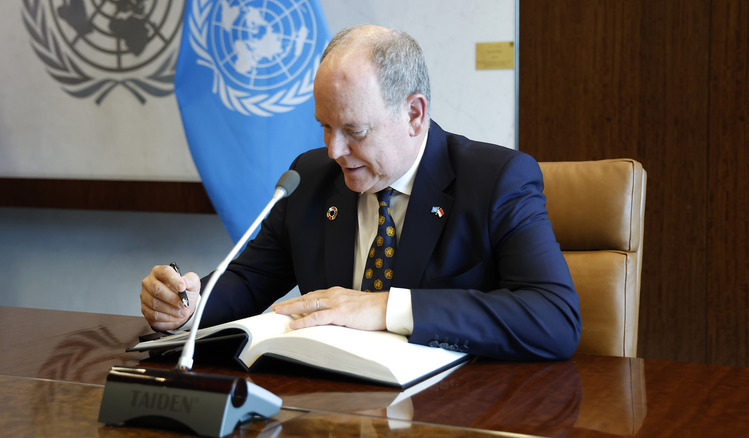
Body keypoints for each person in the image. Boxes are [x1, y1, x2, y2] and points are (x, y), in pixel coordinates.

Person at [140, 25, 581, 361]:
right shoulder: (310, 177)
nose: (334, 150)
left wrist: (385, 308)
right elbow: (248, 280)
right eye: (325, 127)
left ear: (413, 114)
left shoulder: (497, 179)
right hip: (329, 405)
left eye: (354, 130)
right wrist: (189, 304)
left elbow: (554, 317)